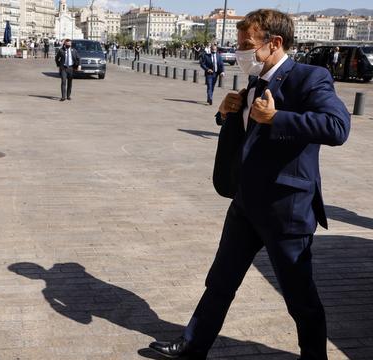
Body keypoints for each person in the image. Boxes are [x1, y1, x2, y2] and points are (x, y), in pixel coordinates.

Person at [148, 9, 350, 360]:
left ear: (274, 44)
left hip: (286, 209)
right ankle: (193, 346)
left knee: (300, 298)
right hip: (245, 204)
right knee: (220, 282)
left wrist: (278, 118)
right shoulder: (254, 81)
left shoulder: (309, 77)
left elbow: (337, 127)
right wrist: (226, 113)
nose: (239, 51)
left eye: (246, 45)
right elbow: (248, 131)